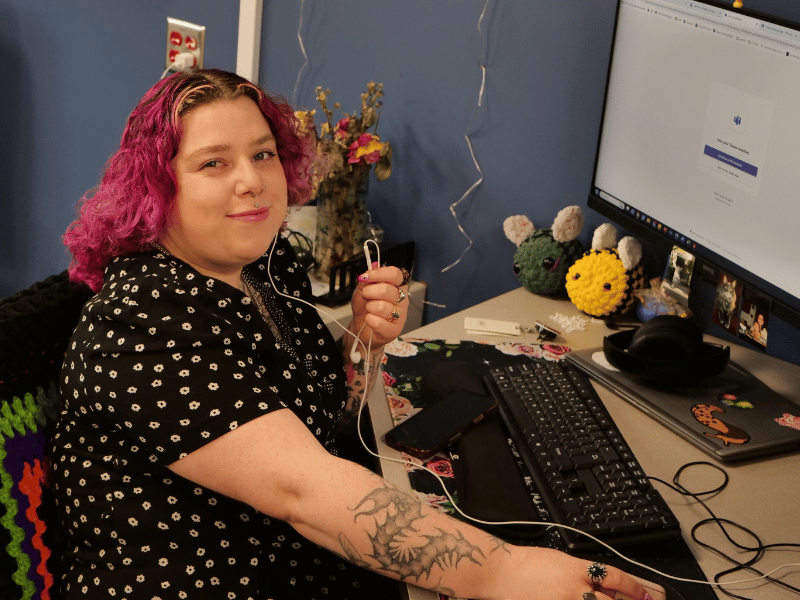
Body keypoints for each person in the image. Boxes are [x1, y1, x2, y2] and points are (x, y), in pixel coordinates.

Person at [53, 69, 653, 600]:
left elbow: (313, 413)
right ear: (158, 187)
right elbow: (301, 489)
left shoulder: (263, 265)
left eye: (262, 155)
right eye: (214, 162)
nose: (252, 182)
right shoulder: (138, 325)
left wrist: (362, 341)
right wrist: (506, 573)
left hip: (289, 557)